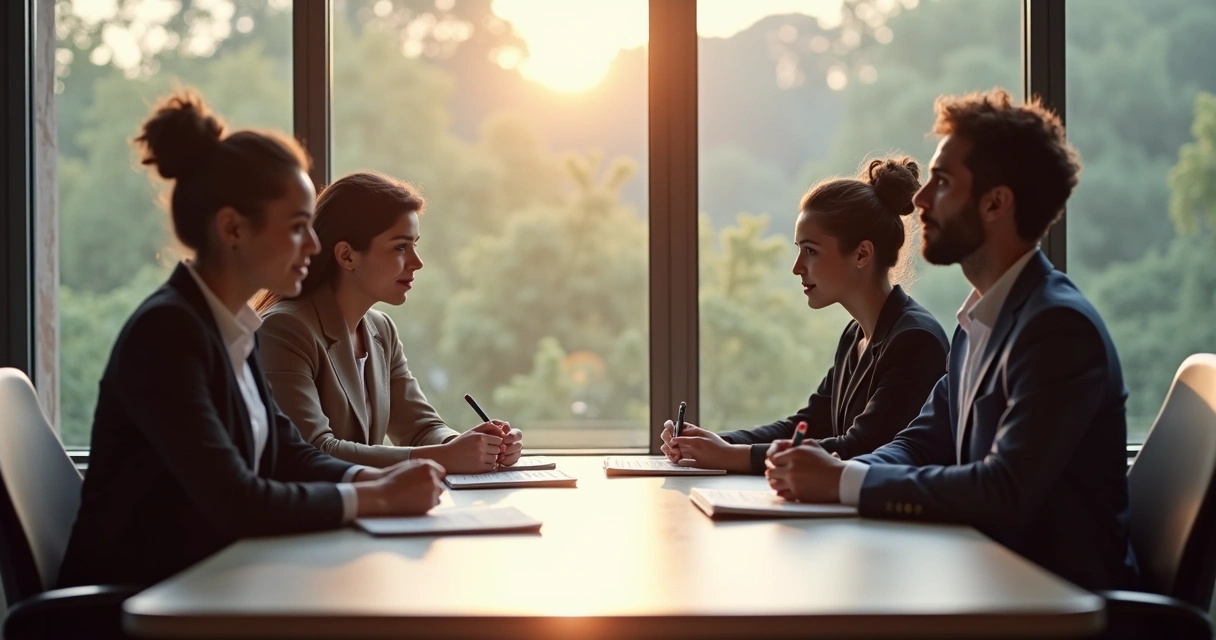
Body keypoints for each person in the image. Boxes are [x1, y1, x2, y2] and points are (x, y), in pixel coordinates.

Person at [57, 91, 446, 597]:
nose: (314, 245)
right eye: (298, 228)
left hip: (213, 582)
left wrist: (367, 480)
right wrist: (377, 499)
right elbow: (236, 500)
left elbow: (289, 453)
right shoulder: (168, 333)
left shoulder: (228, 327)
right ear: (233, 228)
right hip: (147, 602)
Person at [765, 88, 1139, 591]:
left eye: (941, 182)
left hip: (1055, 602)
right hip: (988, 580)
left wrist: (843, 480)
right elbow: (921, 441)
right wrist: (840, 472)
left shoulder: (1057, 328)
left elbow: (1002, 489)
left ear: (995, 203)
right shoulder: (978, 320)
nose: (919, 200)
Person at [660, 156, 949, 473]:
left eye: (810, 251)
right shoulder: (856, 335)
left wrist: (730, 455)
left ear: (862, 254)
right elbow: (806, 425)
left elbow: (860, 448)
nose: (797, 267)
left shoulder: (916, 341)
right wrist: (714, 443)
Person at [253, 172, 523, 473]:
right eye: (400, 247)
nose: (417, 262)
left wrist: (478, 446)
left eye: (414, 245)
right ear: (347, 256)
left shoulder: (381, 330)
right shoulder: (283, 330)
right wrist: (446, 456)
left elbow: (421, 428)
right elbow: (313, 451)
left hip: (368, 500)